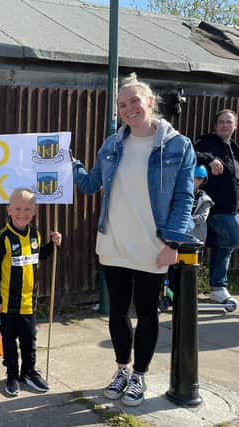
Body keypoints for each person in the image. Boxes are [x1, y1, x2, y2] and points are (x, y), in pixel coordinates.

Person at [72, 73, 195, 407]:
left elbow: (184, 199)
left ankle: (140, 375)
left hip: (152, 246)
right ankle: (122, 370)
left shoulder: (178, 145)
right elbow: (89, 185)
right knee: (116, 313)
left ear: (150, 102)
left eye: (134, 101)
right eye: (123, 105)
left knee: (147, 312)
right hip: (113, 242)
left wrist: (172, 244)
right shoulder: (112, 144)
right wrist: (68, 164)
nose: (129, 109)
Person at [0, 188, 62, 397]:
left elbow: (39, 256)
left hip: (29, 303)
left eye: (28, 208)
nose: (23, 212)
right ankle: (12, 374)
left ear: (35, 210)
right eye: (18, 208)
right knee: (10, 342)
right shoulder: (2, 238)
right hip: (7, 304)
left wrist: (53, 245)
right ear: (9, 210)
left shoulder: (35, 235)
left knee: (29, 340)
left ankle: (28, 372)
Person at [194, 109, 239, 304]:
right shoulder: (207, 142)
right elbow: (192, 153)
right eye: (220, 121)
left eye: (228, 122)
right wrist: (209, 159)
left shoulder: (234, 148)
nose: (224, 125)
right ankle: (216, 285)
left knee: (225, 247)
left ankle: (218, 287)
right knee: (232, 240)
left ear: (235, 126)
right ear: (215, 125)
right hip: (214, 208)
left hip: (232, 208)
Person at [190, 165, 214, 243]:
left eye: (199, 179)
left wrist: (183, 219)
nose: (196, 181)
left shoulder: (205, 199)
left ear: (202, 181)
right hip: (178, 236)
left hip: (195, 238)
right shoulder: (179, 195)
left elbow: (202, 217)